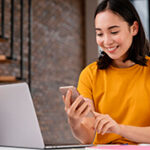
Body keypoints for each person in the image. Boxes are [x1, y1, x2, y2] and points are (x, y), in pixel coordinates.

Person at [63, 0, 150, 145]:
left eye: (114, 32)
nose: (107, 41)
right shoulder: (90, 74)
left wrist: (118, 129)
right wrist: (74, 121)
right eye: (100, 34)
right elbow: (87, 137)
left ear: (134, 28)